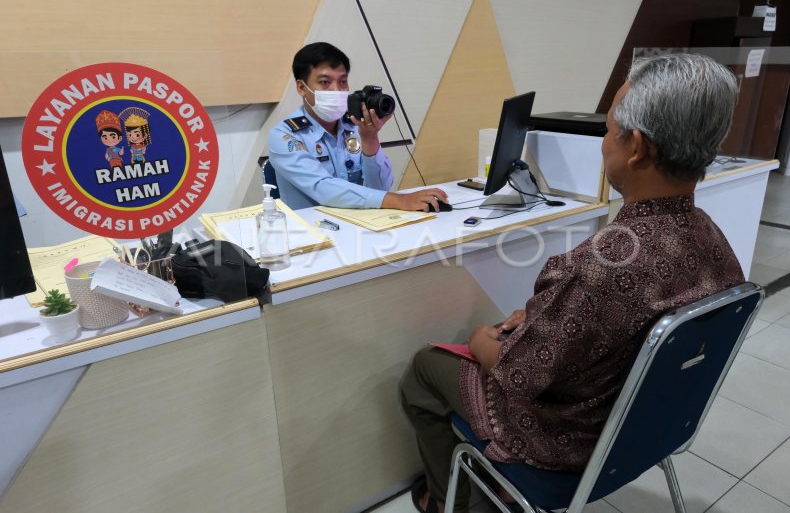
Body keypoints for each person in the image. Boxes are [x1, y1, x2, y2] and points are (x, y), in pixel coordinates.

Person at [400, 53, 746, 513]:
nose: (605, 141)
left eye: (607, 129)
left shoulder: (603, 264)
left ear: (637, 147)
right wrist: (549, 316)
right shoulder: (713, 241)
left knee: (425, 369)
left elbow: (520, 374)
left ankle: (456, 503)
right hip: (644, 435)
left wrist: (484, 342)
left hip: (566, 447)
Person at [267, 42, 447, 211]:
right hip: (311, 233)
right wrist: (398, 200)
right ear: (301, 87)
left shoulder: (355, 125)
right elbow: (322, 187)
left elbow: (379, 188)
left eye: (343, 81)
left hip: (360, 226)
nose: (336, 90)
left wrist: (370, 139)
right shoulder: (285, 136)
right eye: (324, 82)